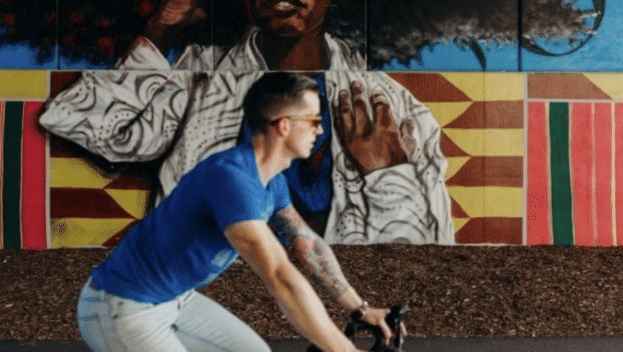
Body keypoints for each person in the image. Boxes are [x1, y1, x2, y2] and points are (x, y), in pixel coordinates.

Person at [40, 0, 453, 245]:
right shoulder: (199, 77)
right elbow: (86, 124)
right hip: (209, 294)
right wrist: (165, 21)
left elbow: (424, 257)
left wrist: (388, 174)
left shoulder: (391, 108)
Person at [77, 72, 397, 352]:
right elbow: (279, 277)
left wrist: (360, 309)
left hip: (177, 300)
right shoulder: (231, 178)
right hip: (123, 307)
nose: (320, 130)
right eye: (313, 120)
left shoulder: (271, 181)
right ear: (284, 126)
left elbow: (307, 246)